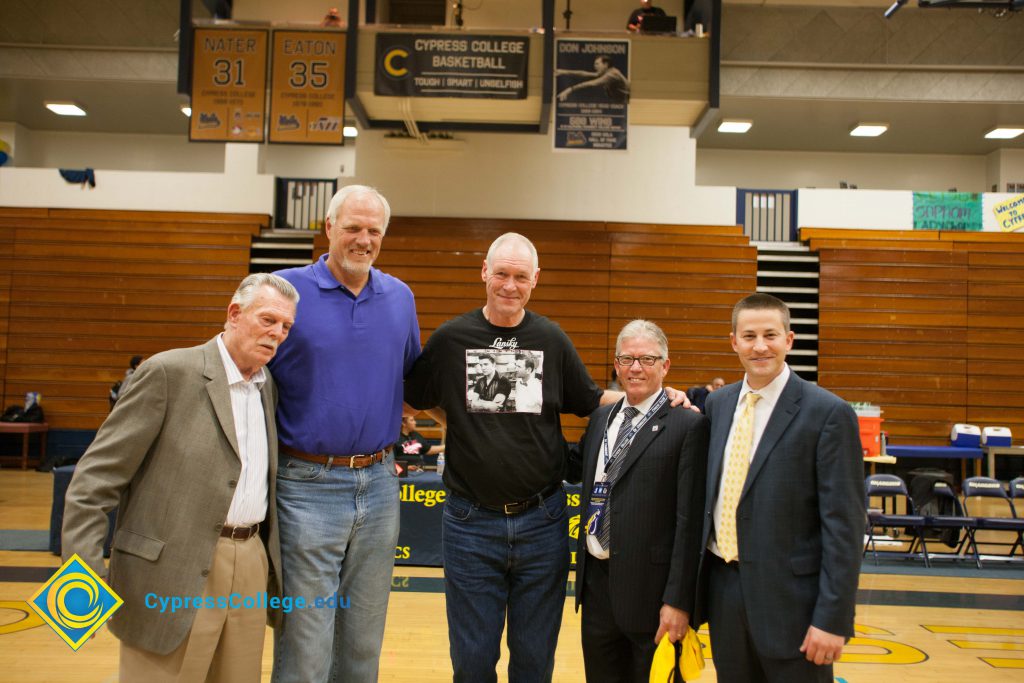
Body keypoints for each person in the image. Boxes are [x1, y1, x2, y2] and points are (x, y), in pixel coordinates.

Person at [404, 233, 688, 683]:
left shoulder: (550, 338)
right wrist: (452, 422)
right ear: (484, 272)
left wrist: (655, 396)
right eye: (501, 273)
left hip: (542, 523)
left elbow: (592, 398)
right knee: (473, 663)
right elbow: (414, 398)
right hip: (470, 524)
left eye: (520, 276)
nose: (509, 285)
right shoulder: (451, 339)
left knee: (534, 662)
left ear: (535, 280)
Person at [61, 273, 298, 682]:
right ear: (234, 314)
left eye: (285, 327)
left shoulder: (266, 385)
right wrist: (83, 582)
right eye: (268, 320)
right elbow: (93, 483)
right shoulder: (168, 372)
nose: (277, 333)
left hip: (249, 562)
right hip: (169, 569)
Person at [268, 185, 420, 683]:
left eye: (374, 230)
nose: (363, 239)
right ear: (329, 227)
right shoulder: (283, 291)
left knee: (362, 638)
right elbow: (242, 363)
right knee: (307, 639)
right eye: (352, 227)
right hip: (305, 486)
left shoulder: (400, 297)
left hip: (378, 484)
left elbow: (412, 379)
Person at [694, 293, 864, 683]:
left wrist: (833, 619)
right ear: (733, 341)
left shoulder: (828, 413)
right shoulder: (717, 405)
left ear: (789, 340)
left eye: (770, 335)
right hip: (725, 594)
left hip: (796, 609)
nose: (759, 346)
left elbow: (844, 527)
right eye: (749, 335)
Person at [571, 320, 708, 682]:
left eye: (648, 359)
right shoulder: (601, 419)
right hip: (597, 586)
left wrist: (679, 602)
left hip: (654, 596)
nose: (636, 368)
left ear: (666, 366)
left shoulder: (687, 424)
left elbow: (689, 522)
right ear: (615, 365)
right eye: (627, 359)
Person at [555, 56, 630, 103]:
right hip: (620, 101)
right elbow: (583, 73)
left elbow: (592, 83)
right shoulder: (606, 71)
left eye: (597, 64)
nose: (595, 67)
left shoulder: (612, 74)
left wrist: (570, 89)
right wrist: (564, 71)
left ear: (606, 64)